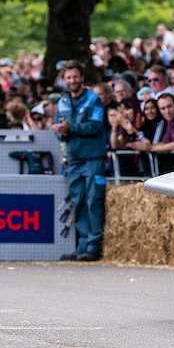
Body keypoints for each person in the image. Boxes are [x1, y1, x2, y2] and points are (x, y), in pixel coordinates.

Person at [54, 61, 107, 261]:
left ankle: (94, 246)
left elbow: (95, 126)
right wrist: (61, 132)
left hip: (93, 157)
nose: (72, 80)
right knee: (78, 202)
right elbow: (59, 130)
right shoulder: (62, 102)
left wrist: (70, 129)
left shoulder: (94, 99)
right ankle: (82, 245)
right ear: (64, 80)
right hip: (74, 159)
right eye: (68, 77)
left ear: (82, 78)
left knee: (94, 200)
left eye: (75, 76)